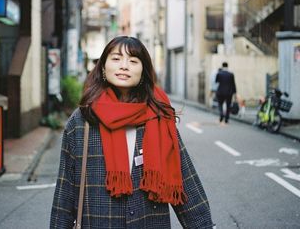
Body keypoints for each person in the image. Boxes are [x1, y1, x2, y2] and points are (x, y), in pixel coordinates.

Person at [50, 36, 214, 228]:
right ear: (103, 67)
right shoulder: (82, 120)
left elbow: (185, 179)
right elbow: (65, 189)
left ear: (143, 72)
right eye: (116, 58)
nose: (124, 66)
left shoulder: (159, 115)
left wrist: (203, 225)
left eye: (133, 61)